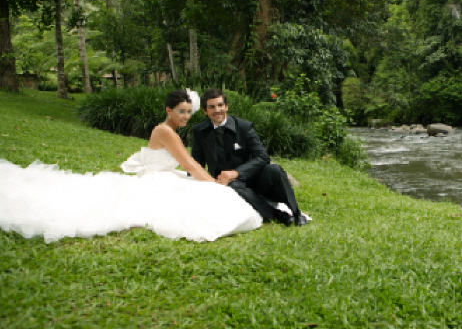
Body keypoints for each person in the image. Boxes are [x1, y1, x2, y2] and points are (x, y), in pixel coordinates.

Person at [0, 90, 262, 243]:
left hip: (165, 176)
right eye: (180, 111)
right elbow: (190, 163)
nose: (185, 116)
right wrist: (213, 184)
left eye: (188, 112)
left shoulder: (168, 130)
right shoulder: (166, 131)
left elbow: (189, 163)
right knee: (208, 200)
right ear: (168, 110)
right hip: (159, 180)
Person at [191, 88, 309, 226]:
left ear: (226, 106)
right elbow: (196, 163)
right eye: (212, 107)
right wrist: (207, 182)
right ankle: (277, 214)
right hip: (225, 183)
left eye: (220, 105)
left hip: (251, 177)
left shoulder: (243, 127)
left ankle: (296, 213)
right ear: (205, 111)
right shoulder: (199, 131)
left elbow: (263, 156)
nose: (217, 110)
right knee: (234, 185)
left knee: (275, 169)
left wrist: (236, 173)